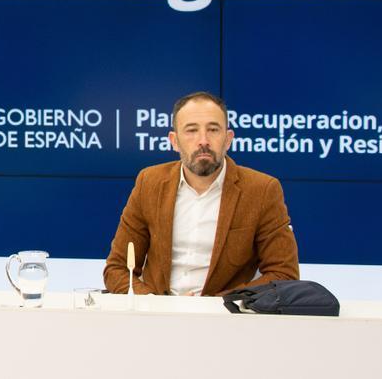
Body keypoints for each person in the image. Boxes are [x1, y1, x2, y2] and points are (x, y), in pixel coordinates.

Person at [103, 91, 299, 295]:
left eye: (213, 129)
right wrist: (155, 304)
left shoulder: (262, 190)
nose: (203, 140)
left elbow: (284, 274)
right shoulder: (149, 182)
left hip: (227, 319)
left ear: (228, 138)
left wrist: (216, 304)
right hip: (157, 317)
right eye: (191, 130)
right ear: (174, 140)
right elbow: (117, 268)